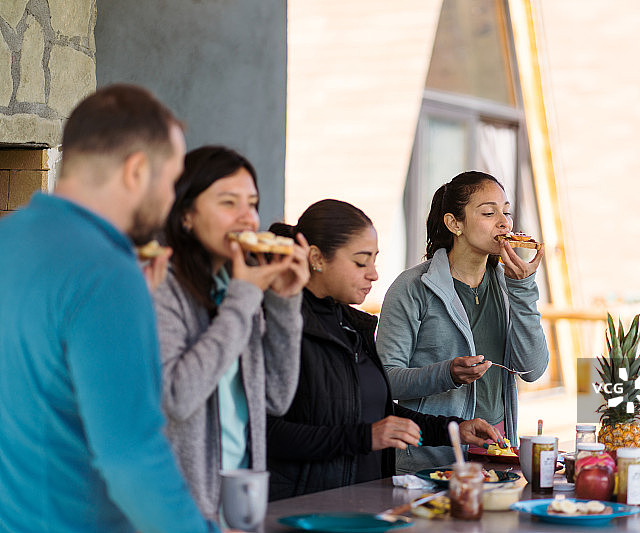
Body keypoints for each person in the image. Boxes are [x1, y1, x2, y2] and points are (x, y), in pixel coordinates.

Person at [0, 85, 221, 532]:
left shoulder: (8, 238)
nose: (172, 197)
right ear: (137, 170)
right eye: (172, 179)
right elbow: (132, 456)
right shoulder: (107, 270)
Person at [265, 199, 504, 500]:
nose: (373, 274)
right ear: (316, 258)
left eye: (374, 260)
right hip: (303, 509)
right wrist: (365, 437)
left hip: (364, 504)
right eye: (360, 261)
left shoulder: (354, 327)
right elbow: (268, 433)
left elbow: (378, 414)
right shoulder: (281, 327)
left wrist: (452, 430)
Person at [153, 146, 308, 523]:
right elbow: (176, 397)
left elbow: (274, 397)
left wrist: (285, 303)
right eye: (228, 202)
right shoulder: (159, 287)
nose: (246, 217)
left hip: (238, 499)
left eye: (252, 203)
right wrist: (245, 297)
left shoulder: (239, 285)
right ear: (186, 214)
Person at [376, 171, 549, 473]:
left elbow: (533, 369)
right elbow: (386, 380)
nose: (504, 222)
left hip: (497, 453)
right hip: (428, 463)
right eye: (488, 212)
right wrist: (447, 374)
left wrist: (523, 289)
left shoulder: (510, 284)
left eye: (506, 212)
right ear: (454, 223)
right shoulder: (413, 287)